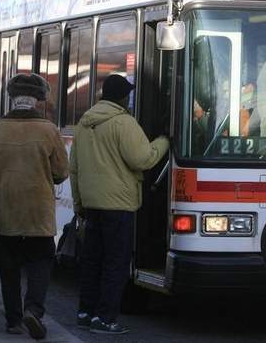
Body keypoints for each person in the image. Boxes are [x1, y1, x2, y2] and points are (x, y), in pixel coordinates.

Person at [70, 74, 169, 335]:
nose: (129, 98)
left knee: (92, 260)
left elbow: (74, 168)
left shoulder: (85, 122)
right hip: (118, 205)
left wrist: (79, 203)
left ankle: (85, 312)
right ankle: (105, 319)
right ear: (123, 97)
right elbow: (143, 159)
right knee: (115, 263)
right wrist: (164, 141)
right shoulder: (123, 122)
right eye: (128, 94)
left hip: (92, 204)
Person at [0, 73, 69, 340]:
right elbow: (61, 172)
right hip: (38, 214)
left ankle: (13, 321)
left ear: (12, 98)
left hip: (7, 213)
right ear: (38, 101)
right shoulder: (49, 130)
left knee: (9, 268)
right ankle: (34, 310)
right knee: (41, 261)